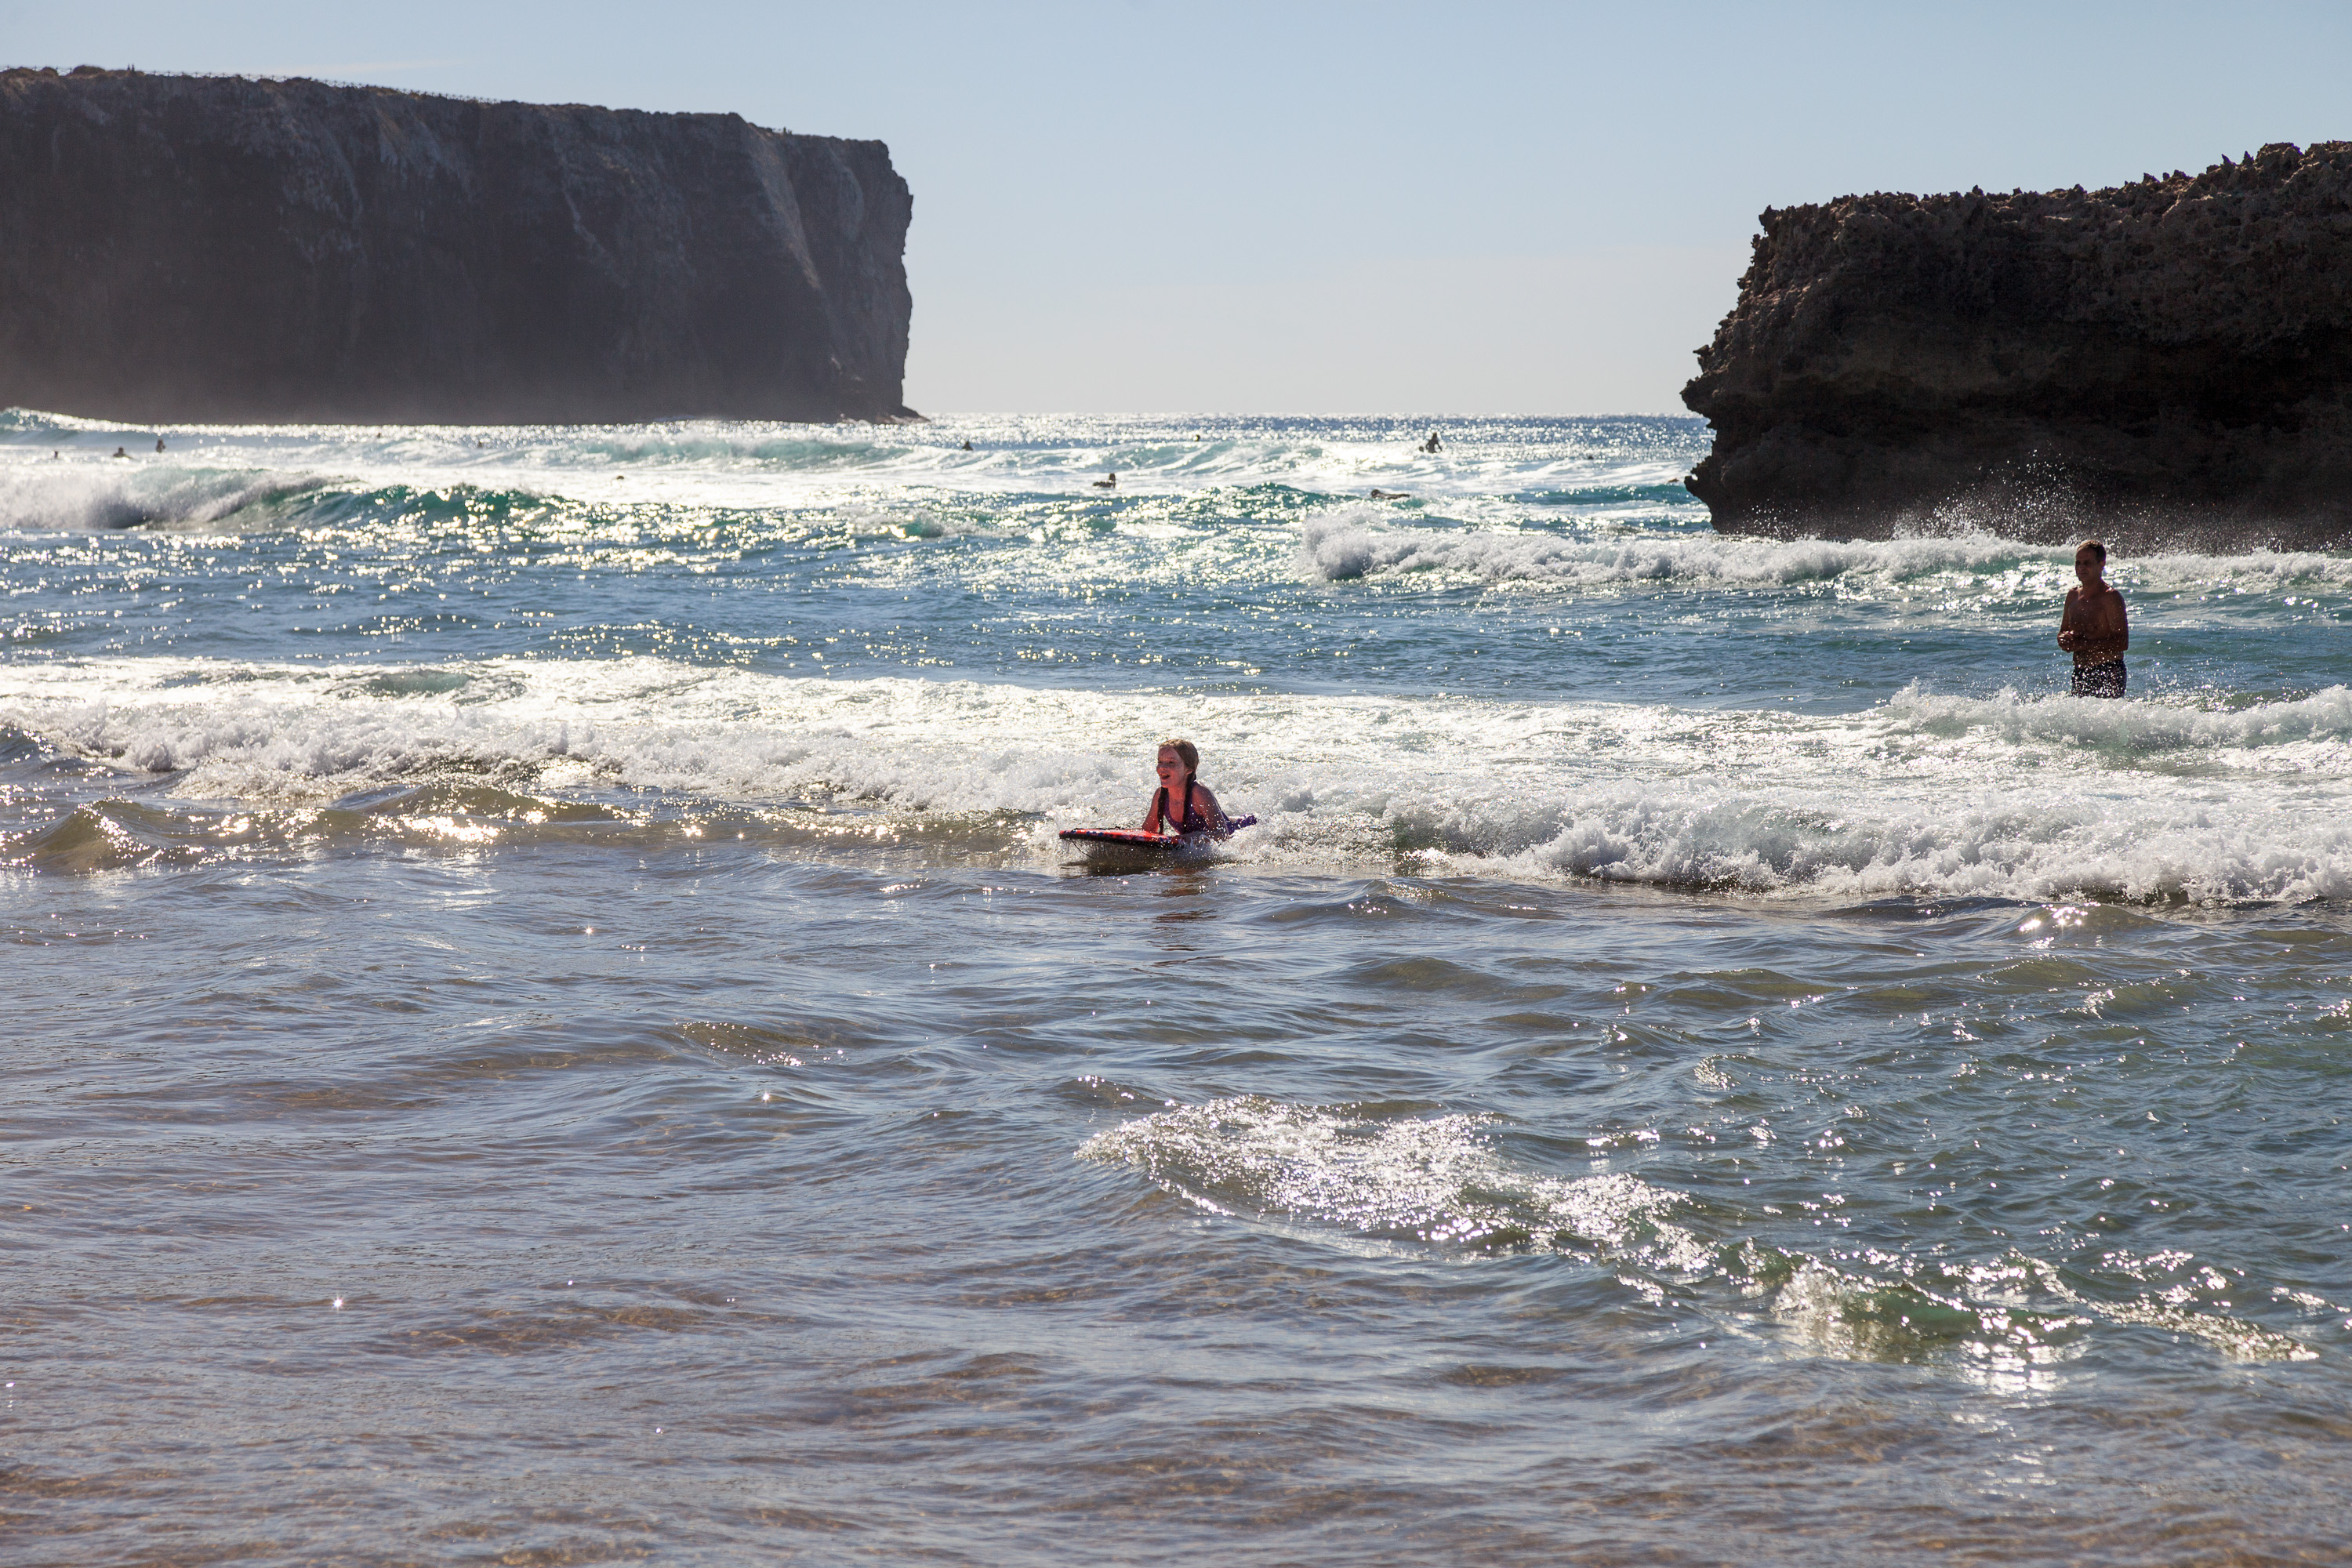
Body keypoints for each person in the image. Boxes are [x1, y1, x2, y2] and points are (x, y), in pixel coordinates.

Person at [2058, 538, 2129, 697]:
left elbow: (2122, 642)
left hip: (2108, 670)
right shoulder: (2072, 595)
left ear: (2101, 565)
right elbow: (2063, 631)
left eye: (2087, 563)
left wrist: (2083, 644)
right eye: (2078, 563)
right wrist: (2064, 640)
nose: (2081, 568)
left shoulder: (2110, 597)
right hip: (2080, 672)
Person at [1140, 738, 1228, 837]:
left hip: (1239, 829)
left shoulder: (1199, 794)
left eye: (1171, 762)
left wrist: (1186, 839)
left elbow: (1222, 835)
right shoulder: (1161, 796)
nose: (1162, 767)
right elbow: (1148, 831)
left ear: (1189, 769)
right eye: (1160, 762)